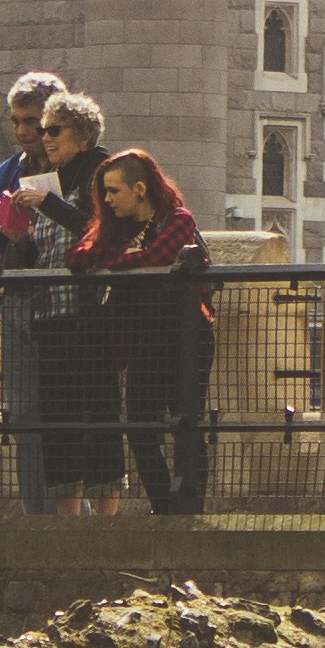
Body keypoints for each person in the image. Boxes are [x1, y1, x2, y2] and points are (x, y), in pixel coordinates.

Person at [72, 144, 217, 518]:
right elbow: (78, 257)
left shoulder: (178, 219)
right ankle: (165, 508)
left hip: (186, 337)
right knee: (139, 427)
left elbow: (159, 256)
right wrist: (120, 259)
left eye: (114, 191)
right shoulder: (116, 228)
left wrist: (114, 261)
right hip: (143, 341)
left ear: (139, 189)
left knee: (186, 422)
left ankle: (190, 507)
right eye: (104, 191)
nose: (107, 199)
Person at [7, 87, 120, 513]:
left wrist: (49, 205)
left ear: (83, 136)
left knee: (98, 417)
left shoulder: (102, 173)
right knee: (59, 425)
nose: (45, 137)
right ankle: (68, 525)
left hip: (90, 313)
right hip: (50, 315)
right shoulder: (48, 181)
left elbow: (100, 227)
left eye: (54, 130)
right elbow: (43, 252)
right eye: (43, 129)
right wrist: (18, 238)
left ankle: (107, 524)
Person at [0, 72, 64, 517]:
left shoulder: (78, 166)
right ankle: (38, 516)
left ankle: (74, 519)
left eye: (33, 122)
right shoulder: (7, 172)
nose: (24, 132)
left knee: (70, 416)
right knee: (24, 415)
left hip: (66, 303)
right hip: (17, 299)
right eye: (17, 122)